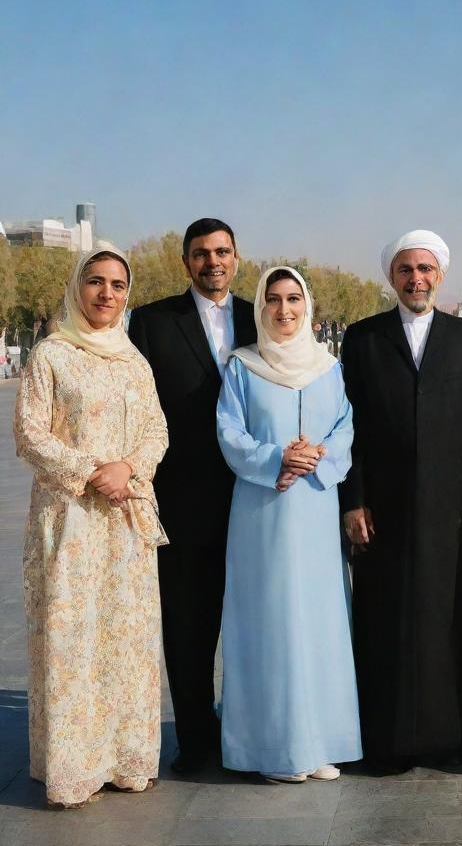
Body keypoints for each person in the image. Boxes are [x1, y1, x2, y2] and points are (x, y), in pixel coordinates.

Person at [14, 245, 169, 807]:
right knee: (71, 638)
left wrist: (127, 467)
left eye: (118, 285)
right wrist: (89, 471)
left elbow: (156, 430)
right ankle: (74, 767)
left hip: (126, 518)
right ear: (77, 288)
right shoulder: (51, 355)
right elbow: (30, 435)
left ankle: (127, 759)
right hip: (70, 519)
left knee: (126, 638)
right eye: (96, 282)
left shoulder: (134, 360)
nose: (107, 294)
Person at [340, 230, 462, 773]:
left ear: (440, 275)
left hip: (446, 510)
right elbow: (346, 427)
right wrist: (352, 500)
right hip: (381, 509)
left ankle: (446, 735)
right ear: (392, 278)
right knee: (383, 620)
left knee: (443, 620)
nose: (416, 278)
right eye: (406, 270)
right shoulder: (362, 339)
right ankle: (384, 739)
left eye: (425, 269)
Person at [216, 266, 361, 782]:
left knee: (318, 622)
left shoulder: (328, 368)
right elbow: (229, 432)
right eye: (273, 300)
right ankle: (273, 750)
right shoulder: (243, 367)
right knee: (271, 621)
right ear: (259, 307)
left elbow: (345, 427)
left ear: (308, 305)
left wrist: (317, 456)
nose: (284, 310)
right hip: (264, 513)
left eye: (293, 299)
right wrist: (278, 458)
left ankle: (318, 742)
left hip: (316, 515)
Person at [127, 218, 258, 774]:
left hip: (256, 497)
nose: (213, 262)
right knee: (188, 624)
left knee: (256, 620)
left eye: (222, 252)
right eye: (202, 254)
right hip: (182, 496)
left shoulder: (263, 315)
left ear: (236, 257)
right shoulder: (154, 322)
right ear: (187, 263)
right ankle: (198, 741)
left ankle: (255, 732)